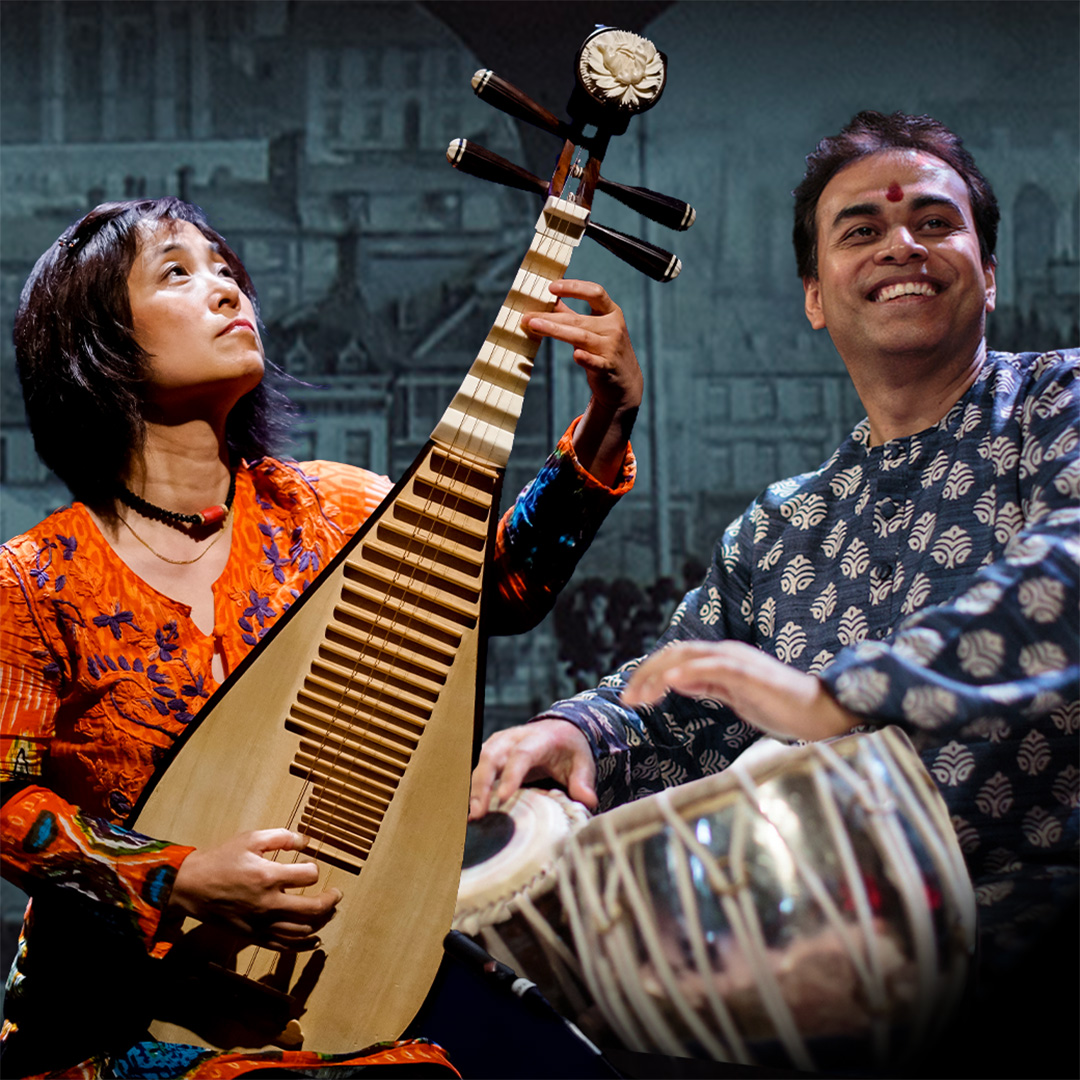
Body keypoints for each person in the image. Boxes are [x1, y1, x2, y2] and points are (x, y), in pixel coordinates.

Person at [471, 111, 1079, 1059]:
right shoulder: (781, 527)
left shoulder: (1060, 406)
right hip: (820, 985)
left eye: (934, 222)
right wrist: (573, 729)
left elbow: (1069, 576)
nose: (901, 247)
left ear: (990, 273)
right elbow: (671, 716)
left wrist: (838, 696)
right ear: (813, 297)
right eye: (862, 231)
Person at [0, 196, 643, 1078]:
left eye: (228, 269)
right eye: (178, 273)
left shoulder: (332, 509)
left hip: (342, 992)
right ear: (95, 343)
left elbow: (501, 589)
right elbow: (4, 807)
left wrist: (607, 418)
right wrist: (177, 874)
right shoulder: (36, 579)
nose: (226, 290)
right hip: (117, 1014)